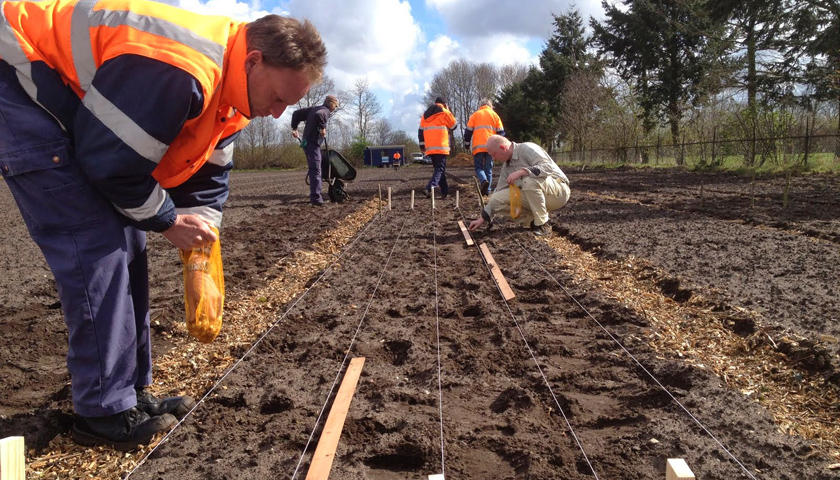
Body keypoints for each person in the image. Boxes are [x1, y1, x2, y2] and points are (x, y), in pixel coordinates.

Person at [0, 0, 326, 450]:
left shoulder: (233, 99)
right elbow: (109, 164)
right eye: (278, 99)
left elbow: (209, 180)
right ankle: (101, 412)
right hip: (17, 73)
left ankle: (130, 392)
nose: (276, 114)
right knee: (95, 243)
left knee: (130, 241)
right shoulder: (181, 67)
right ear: (253, 61)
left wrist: (200, 258)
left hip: (75, 106)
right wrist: (170, 221)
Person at [469, 135, 570, 236]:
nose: (493, 158)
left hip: (558, 191)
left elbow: (548, 167)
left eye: (494, 154)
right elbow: (498, 191)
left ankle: (543, 224)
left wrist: (522, 172)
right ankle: (532, 221)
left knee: (529, 180)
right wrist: (482, 219)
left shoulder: (527, 149)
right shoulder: (506, 168)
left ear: (502, 148)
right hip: (535, 195)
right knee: (495, 199)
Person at [291, 95, 338, 206]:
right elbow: (319, 115)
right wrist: (323, 127)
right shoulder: (325, 110)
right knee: (316, 169)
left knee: (317, 167)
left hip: (307, 142)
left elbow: (296, 114)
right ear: (331, 104)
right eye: (335, 106)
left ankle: (316, 194)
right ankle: (316, 199)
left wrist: (295, 128)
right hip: (312, 143)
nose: (334, 109)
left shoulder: (314, 108)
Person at [464, 99, 505, 196]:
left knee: (479, 167)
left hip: (478, 147)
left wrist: (467, 144)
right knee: (488, 169)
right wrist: (500, 146)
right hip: (491, 147)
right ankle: (488, 190)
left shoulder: (475, 115)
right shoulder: (495, 115)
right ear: (490, 105)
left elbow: (468, 132)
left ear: (480, 105)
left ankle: (483, 181)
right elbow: (501, 133)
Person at [418, 96, 457, 198]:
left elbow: (420, 131)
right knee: (439, 169)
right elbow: (454, 126)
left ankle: (445, 192)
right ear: (444, 104)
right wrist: (448, 110)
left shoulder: (425, 115)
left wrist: (422, 145)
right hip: (441, 146)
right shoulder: (444, 112)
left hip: (430, 148)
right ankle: (429, 188)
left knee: (439, 170)